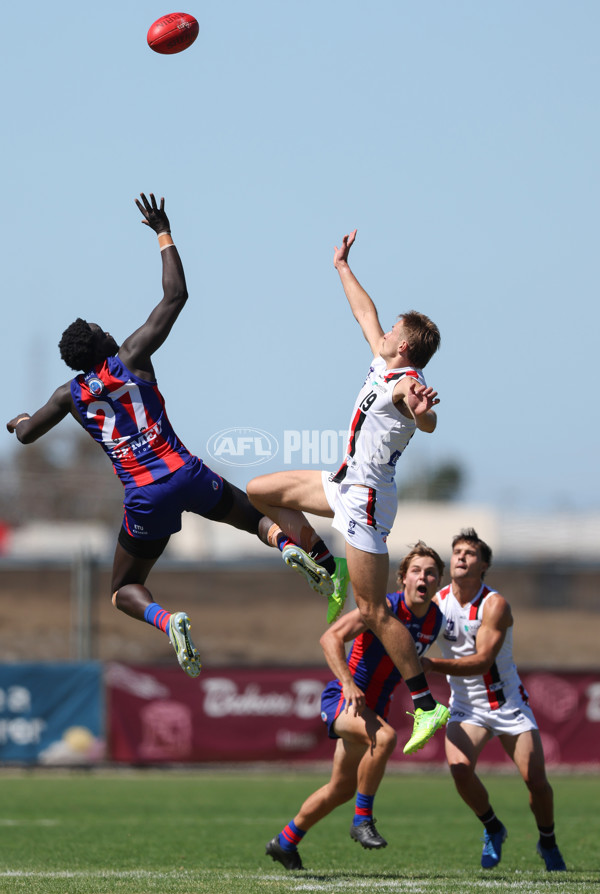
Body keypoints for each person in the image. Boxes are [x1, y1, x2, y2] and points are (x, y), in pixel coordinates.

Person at [6, 193, 334, 677]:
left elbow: (27, 434)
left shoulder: (67, 395)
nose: (108, 327)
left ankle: (168, 619)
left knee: (123, 589)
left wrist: (16, 422)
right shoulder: (132, 357)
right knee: (251, 518)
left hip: (144, 496)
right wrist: (163, 231)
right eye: (101, 327)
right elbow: (175, 295)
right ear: (101, 343)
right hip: (186, 472)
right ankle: (289, 549)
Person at [248, 229, 449, 755]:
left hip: (366, 500)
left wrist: (425, 414)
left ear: (402, 344)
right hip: (340, 482)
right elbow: (366, 313)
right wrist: (341, 266)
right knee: (258, 491)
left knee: (375, 613)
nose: (382, 332)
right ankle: (322, 561)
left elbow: (423, 420)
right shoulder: (387, 363)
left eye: (393, 332)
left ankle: (427, 706)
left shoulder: (407, 382)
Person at [266, 541, 445, 871]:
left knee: (341, 788)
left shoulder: (435, 619)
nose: (423, 578)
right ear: (402, 579)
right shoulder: (380, 609)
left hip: (374, 708)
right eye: (416, 571)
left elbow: (407, 659)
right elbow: (329, 638)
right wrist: (348, 683)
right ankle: (362, 820)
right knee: (386, 738)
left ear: (438, 583)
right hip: (345, 699)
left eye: (431, 573)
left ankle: (284, 842)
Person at [421, 528, 567, 872]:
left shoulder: (494, 604)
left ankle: (547, 840)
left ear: (483, 564)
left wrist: (429, 664)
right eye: (456, 551)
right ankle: (493, 827)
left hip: (506, 703)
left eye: (469, 553)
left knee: (536, 783)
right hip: (465, 706)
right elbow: (407, 631)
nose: (460, 557)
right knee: (459, 771)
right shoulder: (437, 602)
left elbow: (483, 661)